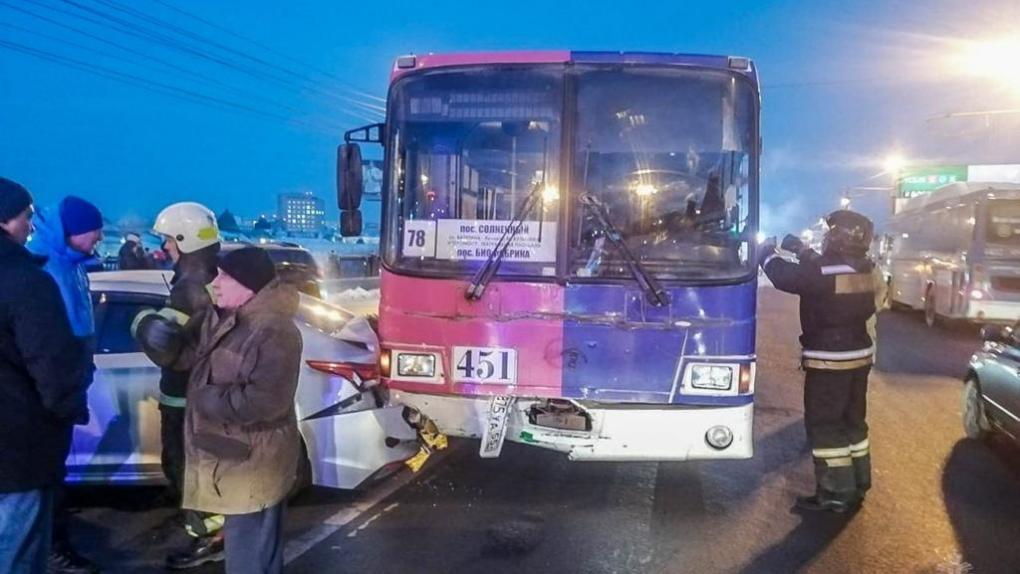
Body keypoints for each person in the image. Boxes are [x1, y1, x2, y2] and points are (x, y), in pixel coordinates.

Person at [136, 247, 302, 574]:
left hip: (253, 463)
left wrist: (205, 399)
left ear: (248, 286)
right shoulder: (223, 317)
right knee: (250, 555)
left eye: (225, 276)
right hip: (233, 459)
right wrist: (156, 338)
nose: (217, 282)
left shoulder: (275, 331)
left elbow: (265, 401)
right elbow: (190, 358)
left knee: (250, 557)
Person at [760, 209, 880, 513]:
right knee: (852, 423)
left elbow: (786, 277)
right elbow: (823, 270)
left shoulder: (825, 272)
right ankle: (857, 484)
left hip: (830, 359)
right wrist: (801, 249)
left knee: (826, 426)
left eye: (832, 232)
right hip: (858, 355)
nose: (828, 236)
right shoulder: (865, 268)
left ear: (840, 238)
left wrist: (766, 254)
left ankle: (835, 493)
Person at [0, 178, 90, 574]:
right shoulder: (26, 281)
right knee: (18, 553)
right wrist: (68, 406)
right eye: (25, 216)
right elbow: (51, 362)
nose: (31, 226)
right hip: (16, 447)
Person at [27, 196, 105, 574]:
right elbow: (44, 343)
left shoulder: (72, 265)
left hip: (65, 388)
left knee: (52, 475)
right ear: (73, 231)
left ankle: (50, 545)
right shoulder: (42, 268)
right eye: (94, 231)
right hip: (45, 395)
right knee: (42, 479)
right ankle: (51, 549)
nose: (100, 239)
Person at [148, 202, 226, 569]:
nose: (164, 248)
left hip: (184, 397)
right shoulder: (213, 278)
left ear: (184, 239)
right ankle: (217, 531)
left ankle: (208, 537)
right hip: (203, 394)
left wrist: (142, 324)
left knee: (185, 469)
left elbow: (164, 343)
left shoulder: (188, 288)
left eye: (167, 241)